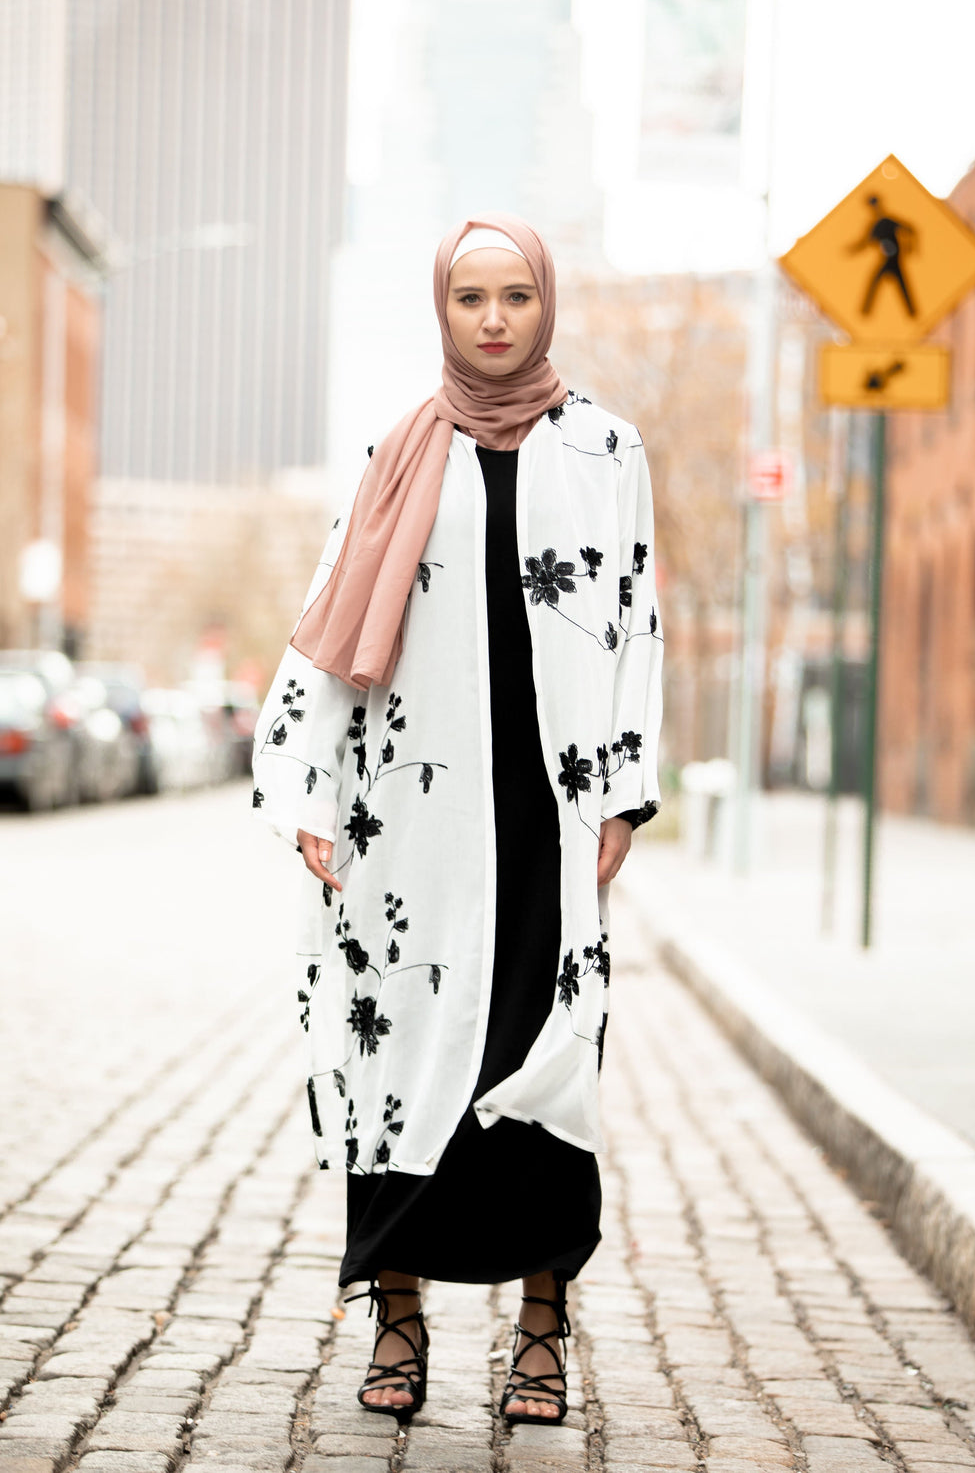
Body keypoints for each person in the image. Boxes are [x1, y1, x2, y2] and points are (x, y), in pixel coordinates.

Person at [251, 212, 664, 1429]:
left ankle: (543, 1326)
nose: (494, 319)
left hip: (547, 805)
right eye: (471, 298)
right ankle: (399, 1315)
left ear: (547, 305)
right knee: (399, 1053)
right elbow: (334, 612)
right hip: (407, 810)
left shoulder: (605, 448)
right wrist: (307, 786)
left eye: (517, 296)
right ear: (443, 309)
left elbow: (638, 617)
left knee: (546, 1053)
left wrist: (626, 793)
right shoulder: (398, 446)